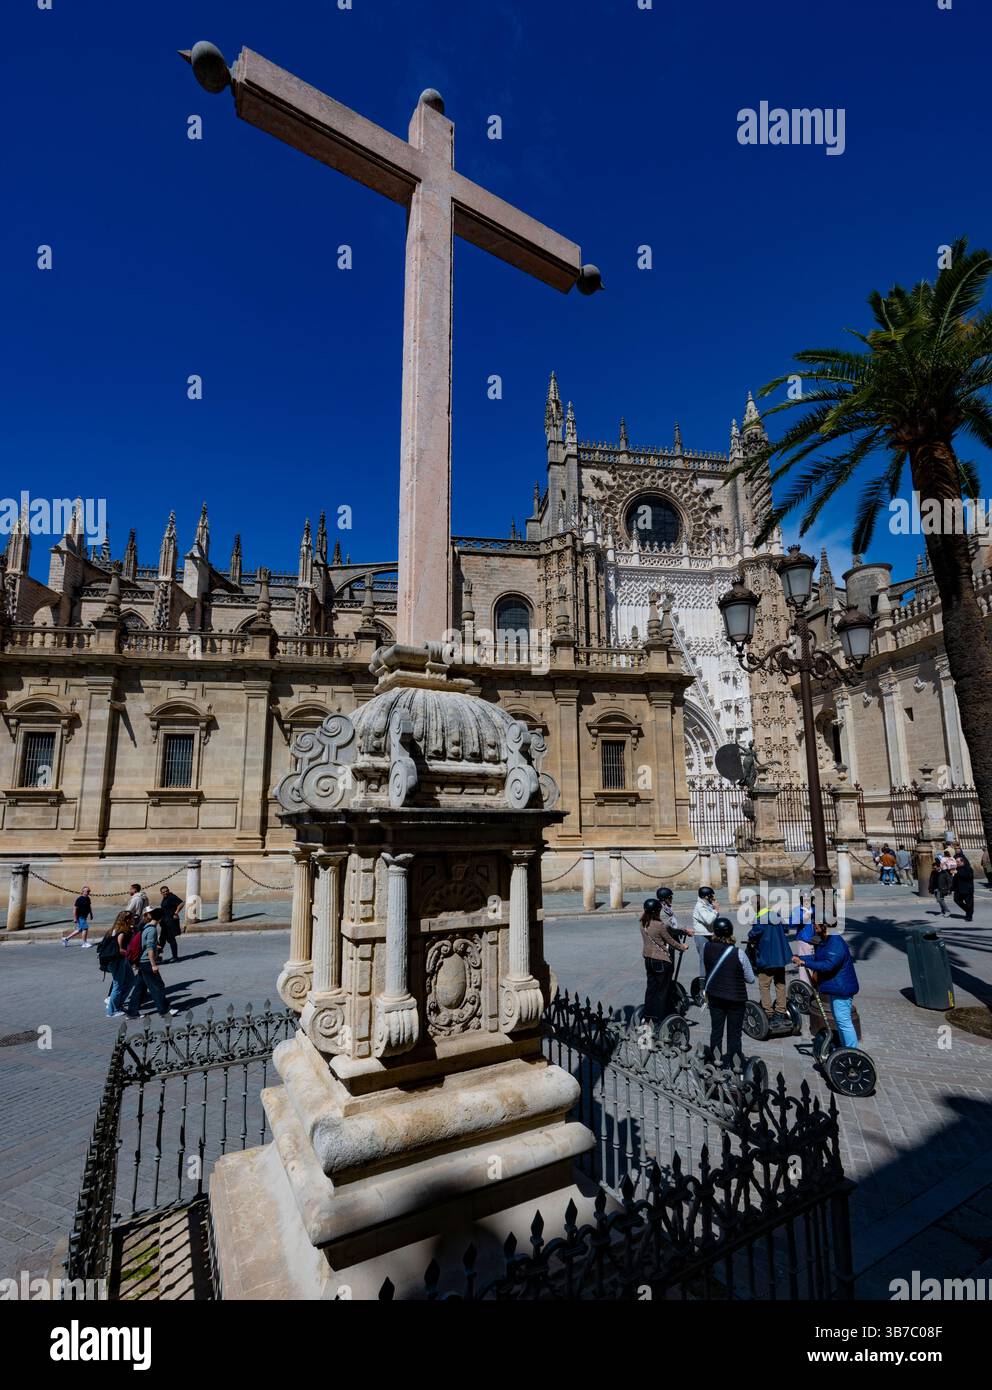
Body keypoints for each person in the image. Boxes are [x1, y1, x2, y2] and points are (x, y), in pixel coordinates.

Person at [793, 920, 861, 1049]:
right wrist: (801, 958)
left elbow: (828, 965)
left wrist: (804, 963)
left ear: (826, 925)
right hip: (835, 987)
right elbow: (818, 958)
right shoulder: (827, 940)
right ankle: (845, 1048)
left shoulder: (835, 942)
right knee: (840, 1020)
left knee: (844, 1022)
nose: (814, 925)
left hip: (841, 988)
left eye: (816, 923)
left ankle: (852, 1051)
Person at [702, 916, 755, 1067]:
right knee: (734, 1035)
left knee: (716, 1031)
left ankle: (715, 1062)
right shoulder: (738, 953)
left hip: (715, 996)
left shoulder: (707, 948)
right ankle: (734, 1064)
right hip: (735, 1000)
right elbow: (750, 979)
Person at [639, 892, 689, 1023]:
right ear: (656, 911)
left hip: (648, 959)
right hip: (661, 960)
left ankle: (648, 1015)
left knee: (651, 989)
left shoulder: (642, 923)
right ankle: (660, 1019)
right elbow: (670, 941)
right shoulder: (659, 925)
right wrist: (682, 947)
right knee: (662, 991)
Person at [124, 908, 179, 1019]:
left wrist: (156, 947)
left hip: (142, 962)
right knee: (157, 986)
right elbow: (149, 948)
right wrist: (153, 964)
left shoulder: (146, 927)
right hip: (147, 963)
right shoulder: (152, 930)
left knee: (139, 988)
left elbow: (145, 944)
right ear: (160, 918)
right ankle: (164, 1011)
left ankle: (131, 1012)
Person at [747, 906, 792, 1023]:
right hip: (780, 957)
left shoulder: (761, 919)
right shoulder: (776, 916)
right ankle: (781, 1010)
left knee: (764, 985)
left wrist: (752, 926)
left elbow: (752, 934)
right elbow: (786, 928)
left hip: (767, 958)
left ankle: (768, 1012)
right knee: (780, 984)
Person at [98, 909, 136, 1018]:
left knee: (131, 980)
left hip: (121, 960)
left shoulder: (115, 930)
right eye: (132, 918)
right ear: (127, 920)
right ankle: (112, 1011)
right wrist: (131, 955)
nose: (134, 919)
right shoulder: (122, 933)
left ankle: (118, 1004)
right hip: (117, 960)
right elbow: (119, 950)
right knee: (118, 985)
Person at [691, 886, 718, 980]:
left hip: (709, 934)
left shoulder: (707, 904)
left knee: (711, 959)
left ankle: (710, 980)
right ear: (706, 896)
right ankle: (702, 987)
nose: (713, 898)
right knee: (704, 960)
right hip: (701, 935)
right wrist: (716, 910)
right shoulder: (700, 906)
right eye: (711, 896)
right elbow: (709, 920)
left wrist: (714, 909)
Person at [158, 884, 184, 962]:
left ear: (168, 891)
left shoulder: (171, 897)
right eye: (163, 892)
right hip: (165, 922)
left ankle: (175, 957)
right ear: (161, 893)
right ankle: (156, 956)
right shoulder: (165, 898)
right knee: (162, 939)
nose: (165, 893)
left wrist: (176, 913)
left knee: (171, 939)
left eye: (166, 891)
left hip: (170, 922)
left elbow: (181, 903)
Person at [952, 852, 975, 922]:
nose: (957, 863)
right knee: (956, 899)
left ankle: (969, 916)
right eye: (956, 861)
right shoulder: (957, 869)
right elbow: (955, 879)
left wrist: (957, 873)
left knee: (969, 903)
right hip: (958, 889)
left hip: (967, 889)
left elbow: (967, 877)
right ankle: (969, 911)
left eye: (958, 861)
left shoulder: (968, 868)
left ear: (962, 861)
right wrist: (951, 888)